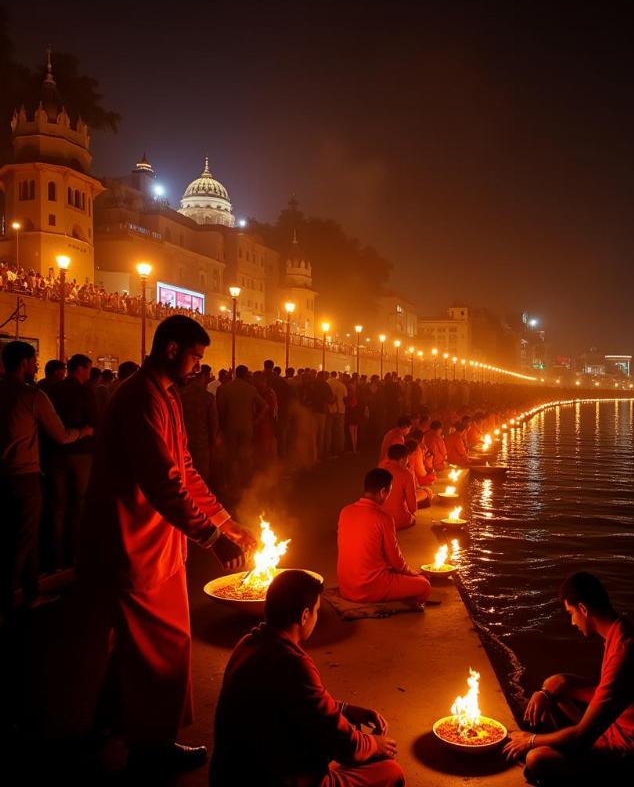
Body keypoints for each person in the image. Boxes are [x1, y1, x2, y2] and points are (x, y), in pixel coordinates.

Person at [80, 316, 257, 772]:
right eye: (197, 356)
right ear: (173, 349)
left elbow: (186, 471)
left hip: (156, 545)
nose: (200, 366)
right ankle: (152, 748)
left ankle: (109, 728)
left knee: (133, 648)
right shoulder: (140, 398)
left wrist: (226, 521)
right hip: (133, 543)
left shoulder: (166, 397)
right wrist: (213, 538)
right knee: (164, 647)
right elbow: (163, 483)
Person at [211, 570, 403, 786]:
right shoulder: (293, 663)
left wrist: (345, 709)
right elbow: (347, 749)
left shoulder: (247, 643)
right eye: (316, 612)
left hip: (229, 776)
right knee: (389, 770)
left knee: (356, 743)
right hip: (276, 780)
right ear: (304, 616)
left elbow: (297, 704)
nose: (316, 617)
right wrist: (375, 744)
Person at [503, 572, 634, 784]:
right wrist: (545, 693)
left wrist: (530, 741)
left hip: (633, 751)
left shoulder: (624, 652)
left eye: (571, 613)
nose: (572, 622)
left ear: (583, 609)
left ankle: (574, 760)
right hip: (613, 725)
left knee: (536, 759)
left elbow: (582, 735)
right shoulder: (618, 631)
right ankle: (562, 745)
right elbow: (607, 692)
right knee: (555, 683)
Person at [0, 342, 92, 624]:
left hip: (6, 475)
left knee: (21, 536)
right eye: (35, 360)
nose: (37, 365)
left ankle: (31, 594)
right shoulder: (32, 396)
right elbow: (61, 435)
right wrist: (84, 431)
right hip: (24, 475)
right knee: (21, 540)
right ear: (25, 362)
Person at [337, 468, 431, 604]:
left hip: (346, 587)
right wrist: (413, 573)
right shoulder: (383, 518)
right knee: (424, 585)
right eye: (389, 492)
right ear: (382, 492)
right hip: (369, 587)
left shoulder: (345, 511)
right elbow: (395, 560)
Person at [47, 353, 98, 570]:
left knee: (57, 506)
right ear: (80, 368)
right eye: (88, 369)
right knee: (78, 504)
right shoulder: (85, 392)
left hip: (55, 453)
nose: (89, 374)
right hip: (80, 454)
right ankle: (74, 554)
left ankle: (54, 556)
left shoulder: (52, 390)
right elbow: (95, 420)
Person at [216, 365, 267, 499]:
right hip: (247, 427)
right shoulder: (251, 389)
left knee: (230, 457)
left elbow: (220, 411)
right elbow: (264, 406)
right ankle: (247, 484)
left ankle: (231, 486)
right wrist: (255, 420)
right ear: (245, 375)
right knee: (245, 455)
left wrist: (220, 428)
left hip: (230, 427)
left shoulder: (225, 389)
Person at [378, 444, 417, 530]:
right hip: (397, 520)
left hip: (378, 520)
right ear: (402, 459)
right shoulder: (406, 474)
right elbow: (413, 508)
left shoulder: (379, 470)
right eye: (407, 459)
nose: (408, 462)